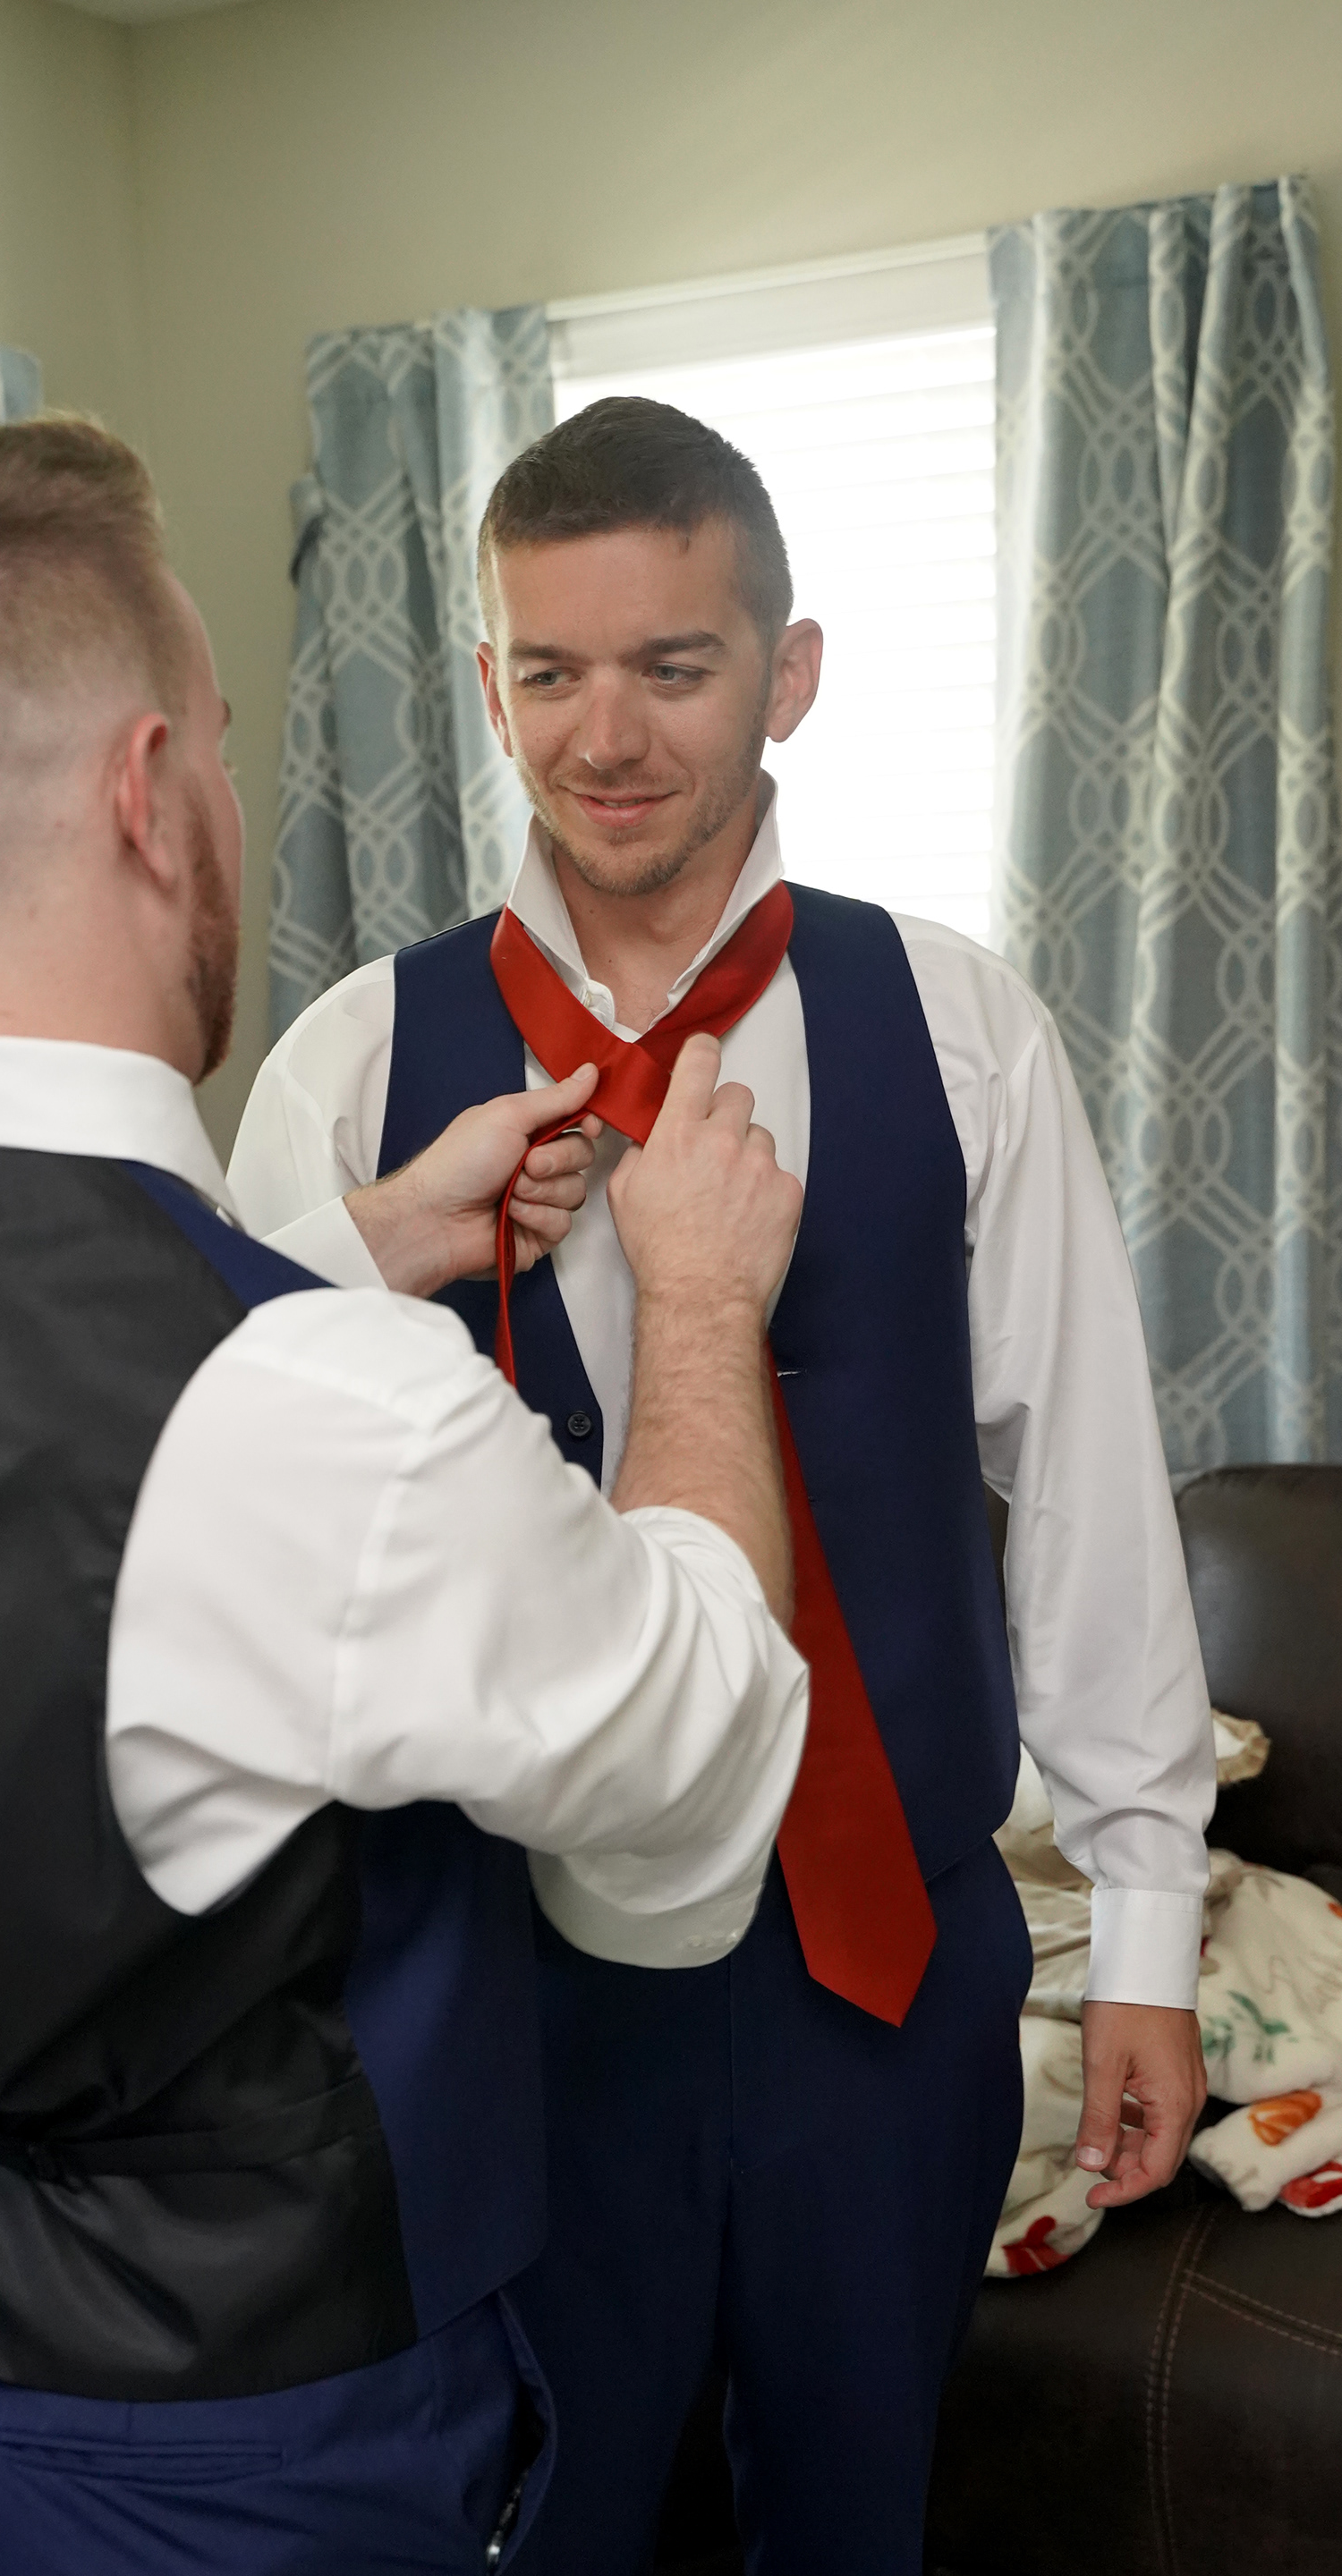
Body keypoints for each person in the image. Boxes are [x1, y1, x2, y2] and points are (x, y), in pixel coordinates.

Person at [0, 418, 817, 2576]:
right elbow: (693, 1771)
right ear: (147, 790)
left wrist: (356, 1245)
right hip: (227, 2450)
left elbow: (39, 1480)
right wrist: (709, 1307)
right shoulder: (326, 1418)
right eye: (231, 752)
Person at [228, 396, 1218, 2574]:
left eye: (673, 666)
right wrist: (365, 1247)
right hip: (505, 1997)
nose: (606, 738)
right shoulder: (354, 1068)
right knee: (538, 2529)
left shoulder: (961, 1027)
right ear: (488, 682)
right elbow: (230, 1512)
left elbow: (1086, 1494)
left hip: (885, 1976)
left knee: (858, 2527)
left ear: (790, 672)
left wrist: (1145, 1919)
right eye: (552, 672)